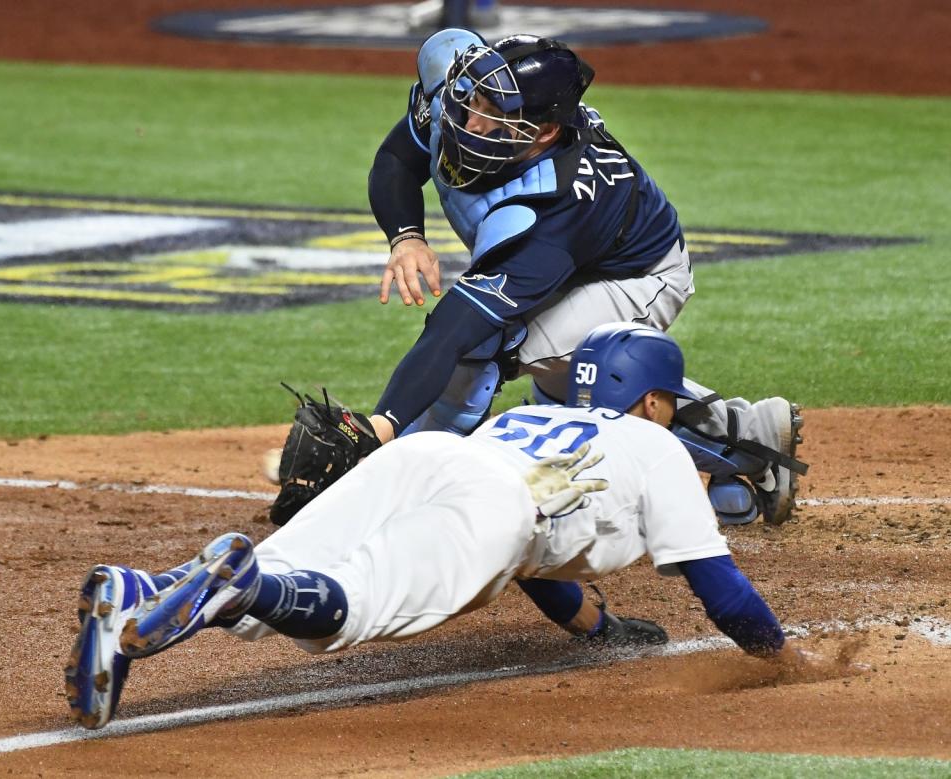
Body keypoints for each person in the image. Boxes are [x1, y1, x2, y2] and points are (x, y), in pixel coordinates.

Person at [67, 324, 818, 731]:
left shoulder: (534, 415)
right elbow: (720, 588)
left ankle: (138, 589)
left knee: (290, 573)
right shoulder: (655, 446)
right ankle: (242, 584)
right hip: (494, 507)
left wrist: (601, 630)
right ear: (654, 399)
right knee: (341, 608)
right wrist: (781, 656)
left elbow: (539, 570)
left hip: (431, 456)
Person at [363, 28, 806, 529]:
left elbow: (459, 328)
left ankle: (745, 448)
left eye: (491, 114)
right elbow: (397, 159)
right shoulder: (465, 100)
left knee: (514, 353)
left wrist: (382, 426)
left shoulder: (555, 203)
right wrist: (407, 237)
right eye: (474, 100)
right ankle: (745, 436)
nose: (469, 121)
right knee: (559, 388)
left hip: (637, 276)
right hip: (574, 263)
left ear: (544, 132)